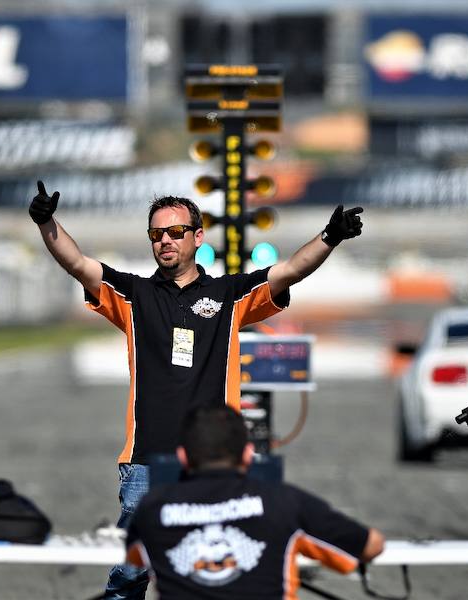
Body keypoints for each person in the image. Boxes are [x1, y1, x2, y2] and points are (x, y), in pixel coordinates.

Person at [28, 182, 364, 598]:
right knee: (128, 578)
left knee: (218, 570)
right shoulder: (135, 295)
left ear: (198, 237)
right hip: (145, 463)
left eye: (175, 232)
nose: (165, 241)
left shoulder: (230, 295)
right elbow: (79, 264)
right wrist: (45, 221)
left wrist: (329, 236)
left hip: (216, 465)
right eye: (156, 234)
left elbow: (291, 269)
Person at [124, 404, 384, 599]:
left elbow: (135, 557)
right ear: (249, 455)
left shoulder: (152, 509)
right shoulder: (285, 502)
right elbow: (371, 545)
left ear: (182, 457)